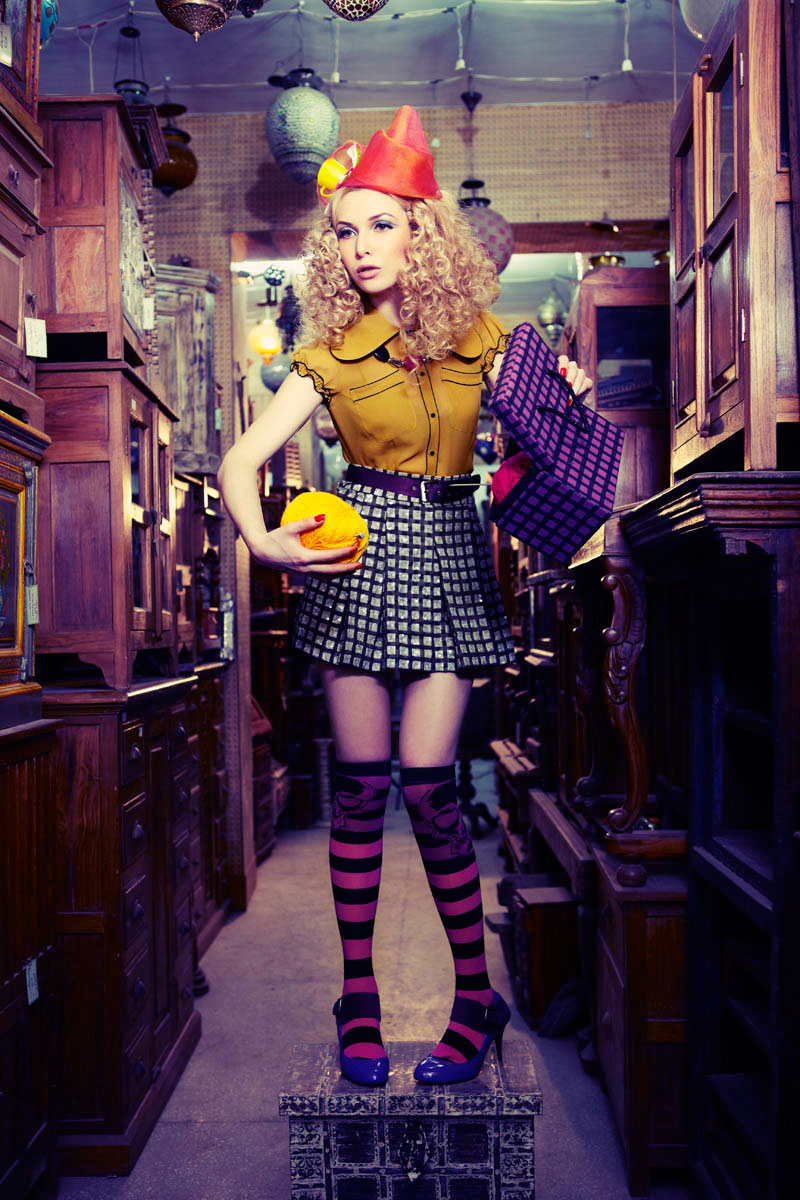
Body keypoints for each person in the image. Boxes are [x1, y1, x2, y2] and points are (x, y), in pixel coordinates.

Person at [217, 106, 592, 1087]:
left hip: (451, 554)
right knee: (357, 793)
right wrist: (267, 543)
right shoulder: (329, 356)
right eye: (345, 230)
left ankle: (475, 998)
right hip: (357, 562)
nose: (361, 245)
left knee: (428, 790)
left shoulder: (485, 337)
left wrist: (569, 392)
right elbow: (240, 461)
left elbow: (553, 424)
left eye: (380, 224)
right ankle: (360, 1002)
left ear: (421, 231)